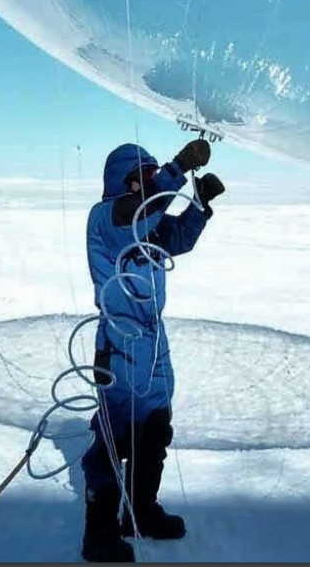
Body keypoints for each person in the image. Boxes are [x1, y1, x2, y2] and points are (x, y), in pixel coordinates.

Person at [80, 137, 225, 563]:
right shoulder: (108, 217)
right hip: (121, 342)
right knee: (115, 437)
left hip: (152, 340)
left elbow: (174, 238)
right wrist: (179, 166)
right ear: (127, 180)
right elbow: (141, 212)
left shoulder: (144, 218)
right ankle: (99, 534)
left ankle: (141, 512)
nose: (152, 182)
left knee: (155, 428)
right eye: (146, 176)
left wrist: (198, 206)